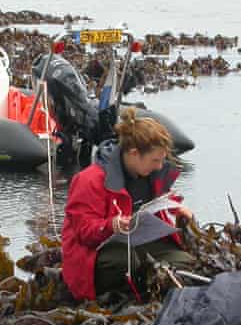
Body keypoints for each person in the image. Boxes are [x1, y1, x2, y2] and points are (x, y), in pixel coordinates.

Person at [61, 107, 195, 301]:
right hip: (94, 254)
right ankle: (119, 296)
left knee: (185, 262)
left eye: (162, 160)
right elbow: (83, 232)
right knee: (127, 262)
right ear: (133, 153)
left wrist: (178, 210)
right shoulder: (88, 180)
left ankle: (152, 289)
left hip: (138, 242)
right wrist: (111, 225)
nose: (159, 166)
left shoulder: (152, 173)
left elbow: (161, 203)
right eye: (155, 160)